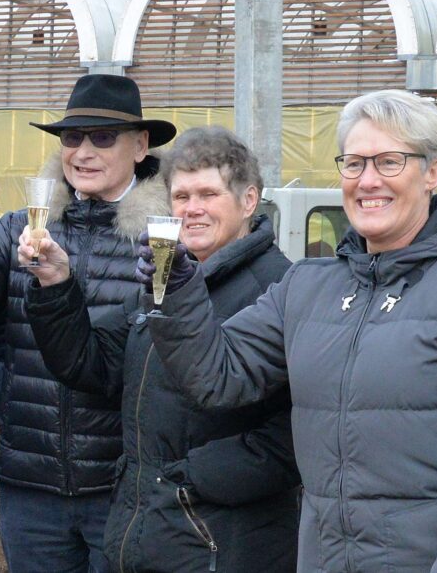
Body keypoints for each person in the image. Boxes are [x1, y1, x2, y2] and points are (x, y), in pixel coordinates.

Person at [145, 90, 437, 571]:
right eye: (355, 163)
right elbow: (217, 375)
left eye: (389, 162)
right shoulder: (308, 285)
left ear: (432, 172)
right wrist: (177, 290)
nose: (368, 180)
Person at [0, 73, 173, 573]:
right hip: (31, 484)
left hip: (123, 486)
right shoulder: (23, 225)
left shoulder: (162, 238)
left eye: (103, 138)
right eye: (72, 138)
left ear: (141, 145)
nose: (83, 152)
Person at [21, 126, 299, 572]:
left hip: (223, 542)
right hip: (149, 531)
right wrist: (56, 285)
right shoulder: (163, 283)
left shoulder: (278, 288)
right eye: (181, 196)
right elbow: (90, 364)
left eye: (208, 194)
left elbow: (294, 432)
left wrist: (189, 480)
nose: (192, 209)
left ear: (249, 200)